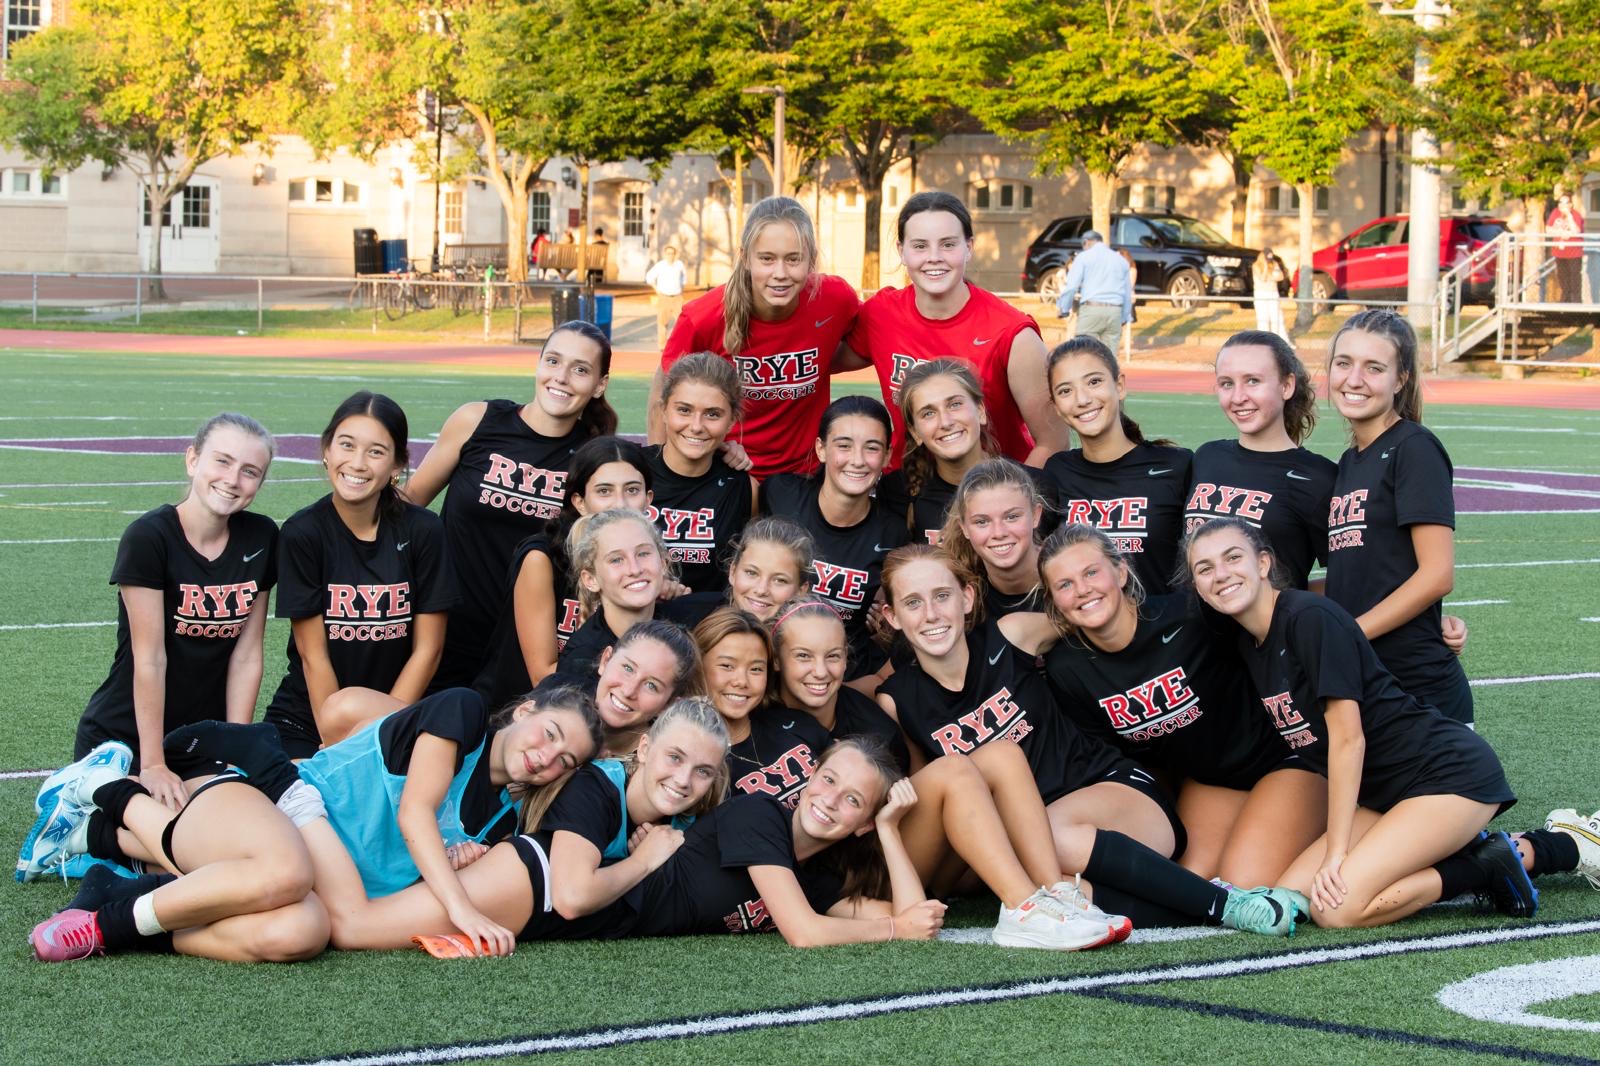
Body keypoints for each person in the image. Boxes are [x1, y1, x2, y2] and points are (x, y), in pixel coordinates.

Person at [27, 684, 603, 962]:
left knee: (299, 932)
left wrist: (451, 859)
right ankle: (102, 792)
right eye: (549, 733)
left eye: (566, 761)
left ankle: (117, 869)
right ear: (527, 709)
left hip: (323, 878)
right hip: (283, 804)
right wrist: (462, 908)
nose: (547, 756)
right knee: (282, 871)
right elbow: (414, 814)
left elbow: (410, 853)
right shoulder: (466, 713)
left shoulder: (504, 818)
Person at [1184, 518, 1534, 929]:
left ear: (1263, 564)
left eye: (1232, 558)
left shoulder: (1308, 618)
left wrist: (1336, 852)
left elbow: (1349, 740)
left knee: (1336, 910)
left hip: (1446, 777)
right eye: (1204, 569)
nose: (1221, 574)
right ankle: (1438, 849)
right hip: (1387, 795)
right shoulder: (1251, 641)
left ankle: (1481, 868)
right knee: (1293, 892)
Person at [1038, 523, 1325, 885]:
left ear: (1121, 571)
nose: (1083, 590)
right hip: (1212, 780)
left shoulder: (1192, 616)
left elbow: (1274, 628)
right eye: (1065, 584)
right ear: (1053, 601)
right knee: (1191, 882)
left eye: (1091, 572)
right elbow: (1123, 759)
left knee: (1245, 880)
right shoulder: (1068, 669)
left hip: (1286, 759)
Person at [876, 546, 1185, 861]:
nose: (931, 614)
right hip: (1040, 834)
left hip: (1101, 785)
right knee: (1043, 863)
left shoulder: (1011, 635)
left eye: (942, 595)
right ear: (892, 615)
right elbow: (933, 793)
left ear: (966, 598)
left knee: (1041, 842)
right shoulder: (896, 701)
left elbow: (1092, 618)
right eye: (913, 602)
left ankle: (1209, 900)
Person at [65, 414, 279, 809]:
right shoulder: (150, 537)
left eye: (250, 471)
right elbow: (150, 658)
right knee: (168, 828)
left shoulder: (262, 537)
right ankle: (76, 820)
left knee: (225, 830)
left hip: (199, 740)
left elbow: (247, 655)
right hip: (126, 738)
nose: (233, 479)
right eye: (222, 461)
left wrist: (234, 747)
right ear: (192, 459)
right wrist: (153, 764)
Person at [406, 321, 617, 690]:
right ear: (538, 364)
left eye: (580, 370)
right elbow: (408, 505)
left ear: (600, 384)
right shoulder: (477, 420)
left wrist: (728, 453)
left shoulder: (593, 458)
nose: (562, 378)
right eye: (553, 361)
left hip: (527, 646)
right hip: (445, 630)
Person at [261, 393, 457, 760]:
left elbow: (428, 650)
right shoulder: (302, 533)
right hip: (310, 718)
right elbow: (312, 655)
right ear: (326, 451)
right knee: (296, 806)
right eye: (346, 445)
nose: (357, 463)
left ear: (397, 465)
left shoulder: (423, 530)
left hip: (397, 711)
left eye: (376, 452)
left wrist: (387, 731)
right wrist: (335, 744)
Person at [835, 191, 1068, 467]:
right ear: (901, 251)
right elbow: (816, 358)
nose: (934, 257)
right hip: (908, 492)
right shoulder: (881, 314)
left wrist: (1006, 499)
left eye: (948, 244)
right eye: (920, 246)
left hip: (988, 492)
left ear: (969, 247)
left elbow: (1053, 443)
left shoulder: (1013, 333)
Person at [1323, 310, 1472, 725]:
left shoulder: (1414, 448)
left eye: (1374, 368)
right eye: (1344, 363)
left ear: (1401, 379)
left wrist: (1347, 635)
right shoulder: (1350, 461)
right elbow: (1357, 576)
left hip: (1420, 691)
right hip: (1369, 684)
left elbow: (1438, 574)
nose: (1354, 380)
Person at [648, 196, 860, 479]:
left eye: (793, 259)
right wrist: (661, 476)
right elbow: (662, 393)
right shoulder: (703, 317)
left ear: (811, 259)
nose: (780, 274)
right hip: (727, 471)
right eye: (767, 259)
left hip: (804, 475)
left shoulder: (835, 299)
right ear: (745, 257)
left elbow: (858, 345)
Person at [471, 437, 655, 712]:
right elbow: (543, 675)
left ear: (648, 499)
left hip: (607, 710)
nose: (621, 503)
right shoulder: (542, 558)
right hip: (524, 712)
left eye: (632, 490)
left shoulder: (648, 561)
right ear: (580, 501)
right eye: (604, 491)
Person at [759, 396, 910, 684]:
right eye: (843, 445)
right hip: (771, 666)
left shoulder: (894, 533)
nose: (857, 460)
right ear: (821, 448)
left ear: (888, 456)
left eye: (872, 448)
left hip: (843, 677)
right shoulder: (779, 494)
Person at [1041, 337, 1192, 596]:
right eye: (1066, 391)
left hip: (1166, 631)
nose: (1082, 399)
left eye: (1094, 382)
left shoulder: (1176, 465)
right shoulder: (1057, 472)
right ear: (1056, 406)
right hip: (1087, 628)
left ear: (1119, 385)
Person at [1186, 330, 1336, 590]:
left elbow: (1352, 574)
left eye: (1253, 381)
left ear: (1286, 386)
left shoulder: (1318, 477)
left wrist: (1292, 605)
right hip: (1193, 629)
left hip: (1268, 631)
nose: (1238, 397)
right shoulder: (1207, 457)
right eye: (1226, 384)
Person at [879, 359, 1055, 547]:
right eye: (928, 413)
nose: (945, 422)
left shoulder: (1036, 485)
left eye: (954, 404)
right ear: (915, 432)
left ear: (980, 411)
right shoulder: (897, 492)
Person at [693, 607, 831, 808]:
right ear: (698, 667)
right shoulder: (691, 762)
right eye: (727, 666)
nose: (741, 681)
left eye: (756, 669)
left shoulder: (796, 723)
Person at [646, 353, 756, 593]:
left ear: (731, 421)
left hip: (709, 626)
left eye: (713, 414)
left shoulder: (743, 487)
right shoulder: (633, 471)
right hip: (638, 622)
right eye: (684, 410)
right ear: (664, 411)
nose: (696, 426)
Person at [557, 509, 705, 678]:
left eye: (643, 553)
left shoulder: (695, 620)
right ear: (591, 579)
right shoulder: (581, 660)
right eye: (616, 560)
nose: (634, 569)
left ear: (663, 563)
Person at [769, 596, 911, 772]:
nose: (820, 672)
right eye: (803, 656)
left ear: (845, 657)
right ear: (776, 659)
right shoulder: (753, 720)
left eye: (833, 656)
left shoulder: (880, 735)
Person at [939, 458, 1054, 618]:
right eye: (982, 522)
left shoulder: (1071, 578)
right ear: (964, 527)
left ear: (1035, 515)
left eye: (1012, 517)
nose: (999, 533)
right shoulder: (963, 596)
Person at [723, 516, 816, 623]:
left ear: (801, 591)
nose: (761, 590)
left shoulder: (808, 639)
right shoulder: (700, 614)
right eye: (751, 573)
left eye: (780, 580)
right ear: (733, 572)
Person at [1054, 230, 1132, 356]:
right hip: (1115, 311)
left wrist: (1064, 308)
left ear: (1087, 242)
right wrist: (1125, 316)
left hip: (1091, 308)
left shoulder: (1084, 257)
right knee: (1109, 360)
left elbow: (1071, 286)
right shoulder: (1121, 261)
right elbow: (1127, 293)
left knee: (1084, 353)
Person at [645, 245, 689, 349]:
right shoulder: (660, 265)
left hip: (677, 298)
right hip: (664, 297)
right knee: (662, 322)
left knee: (680, 322)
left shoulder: (679, 265)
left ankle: (680, 345)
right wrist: (656, 289)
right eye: (668, 253)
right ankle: (662, 346)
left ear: (675, 254)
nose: (670, 255)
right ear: (664, 254)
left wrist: (682, 288)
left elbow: (684, 277)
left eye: (672, 253)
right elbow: (649, 277)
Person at [1548, 192, 1585, 303]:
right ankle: (1564, 303)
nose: (1563, 205)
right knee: (1563, 279)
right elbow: (1548, 229)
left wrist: (1569, 216)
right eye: (1561, 202)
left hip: (1574, 253)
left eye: (1566, 202)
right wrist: (1560, 233)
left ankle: (1576, 303)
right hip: (1559, 252)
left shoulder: (1576, 215)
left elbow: (1576, 231)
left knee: (1574, 279)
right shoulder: (1555, 213)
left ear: (1571, 205)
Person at [1251, 249, 1291, 343]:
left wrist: (1272, 275)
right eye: (1267, 259)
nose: (1269, 261)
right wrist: (1265, 267)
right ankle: (1263, 342)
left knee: (1277, 317)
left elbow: (1280, 277)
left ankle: (1282, 341)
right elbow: (1263, 278)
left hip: (1273, 293)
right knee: (1263, 319)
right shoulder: (1256, 266)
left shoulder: (1274, 263)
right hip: (1261, 294)